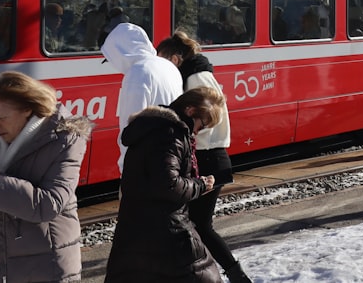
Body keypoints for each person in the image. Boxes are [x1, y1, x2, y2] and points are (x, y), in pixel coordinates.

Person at [0, 71, 93, 283]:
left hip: (41, 264)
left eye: (0, 117)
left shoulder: (65, 139)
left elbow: (49, 204)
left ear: (28, 108)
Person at [157, 32, 253, 283]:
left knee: (197, 226)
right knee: (194, 225)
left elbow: (205, 119)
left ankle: (232, 274)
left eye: (163, 60)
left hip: (207, 157)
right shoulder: (196, 74)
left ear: (175, 58)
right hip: (208, 156)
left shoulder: (196, 78)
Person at [105, 87, 225, 283]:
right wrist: (200, 185)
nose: (198, 132)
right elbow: (168, 185)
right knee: (203, 276)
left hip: (136, 226)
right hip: (166, 229)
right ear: (190, 111)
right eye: (201, 125)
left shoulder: (154, 128)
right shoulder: (170, 135)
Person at [102, 22, 184, 174]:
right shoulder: (168, 67)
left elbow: (130, 129)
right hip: (173, 157)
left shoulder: (138, 72)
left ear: (120, 53)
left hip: (146, 167)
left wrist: (126, 171)